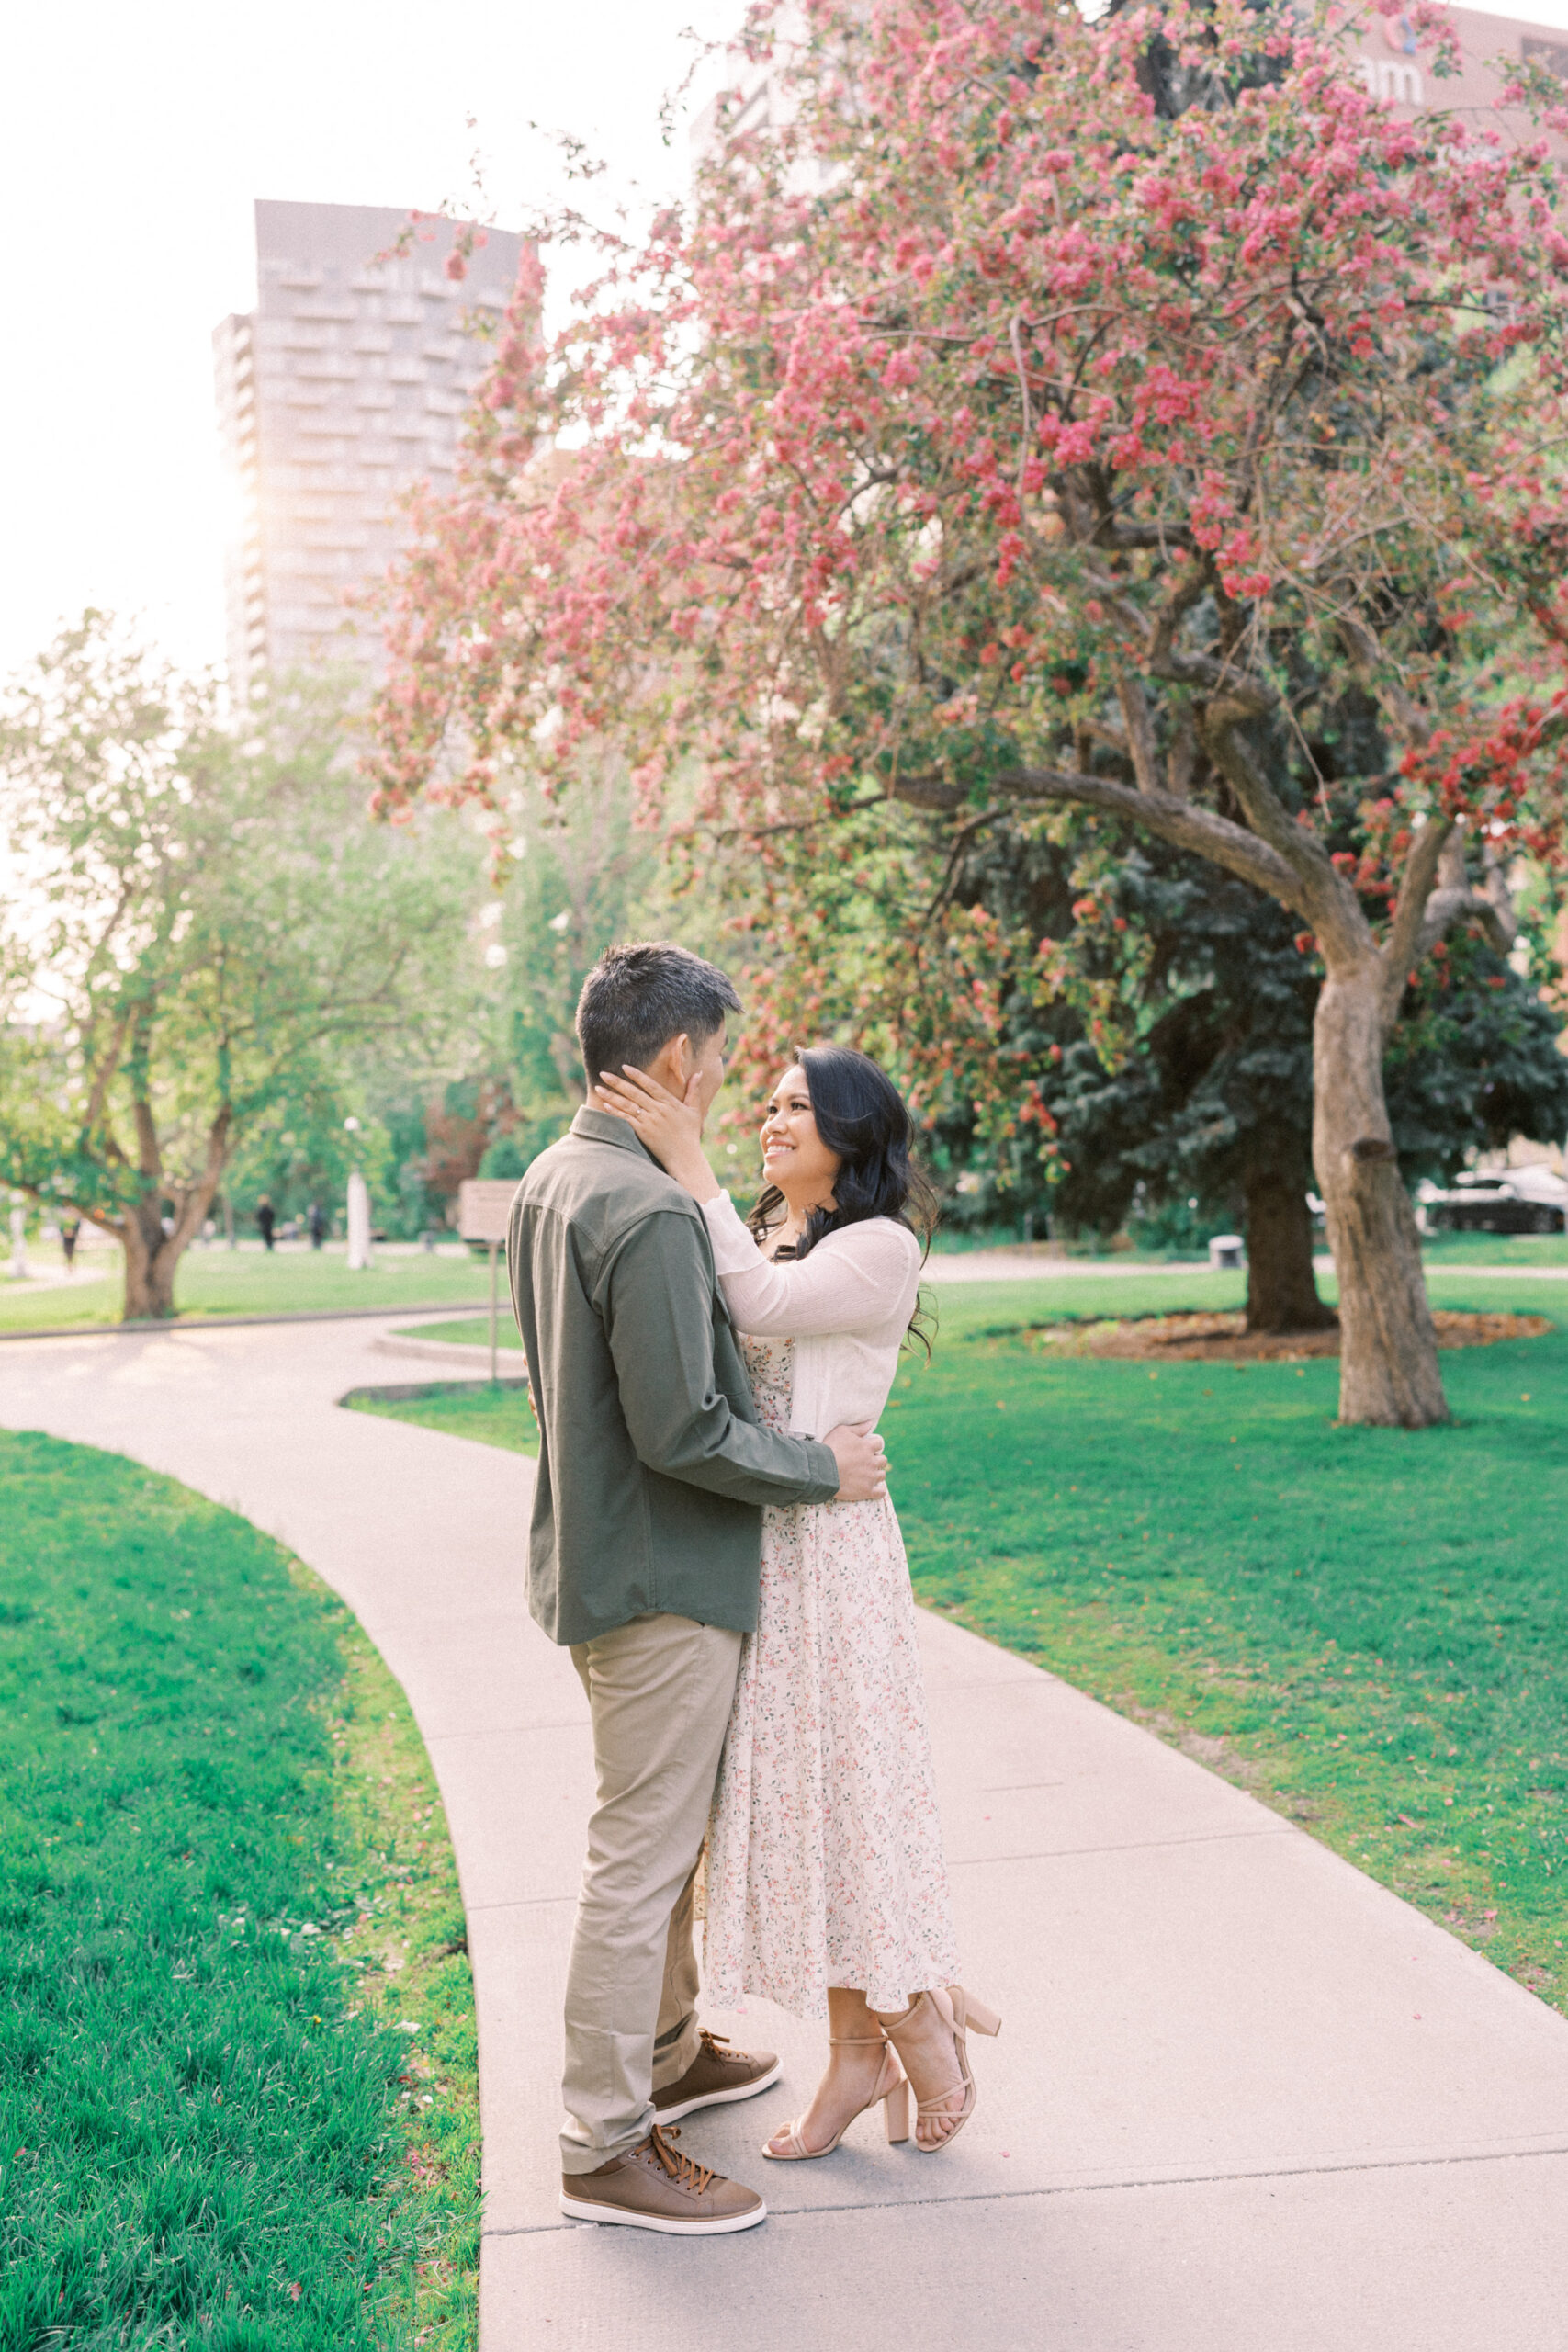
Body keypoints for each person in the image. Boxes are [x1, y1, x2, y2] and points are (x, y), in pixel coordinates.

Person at [507, 943, 890, 2238]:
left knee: (657, 1851)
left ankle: (667, 2054)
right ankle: (604, 2141)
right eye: (720, 1068)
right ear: (671, 1060)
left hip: (595, 1562)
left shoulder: (552, 1181)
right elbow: (685, 1429)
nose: (724, 1090)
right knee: (640, 1859)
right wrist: (818, 1470)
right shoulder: (652, 1210)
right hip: (664, 1581)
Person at [593, 1043, 999, 2163]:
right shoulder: (771, 1226)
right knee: (799, 1808)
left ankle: (905, 2024)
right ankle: (871, 2042)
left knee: (848, 1799)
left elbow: (757, 1305)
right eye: (767, 1102)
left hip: (831, 1548)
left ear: (854, 1133)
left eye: (798, 1107)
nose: (771, 1120)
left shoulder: (878, 1246)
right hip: (760, 1538)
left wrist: (689, 1160)